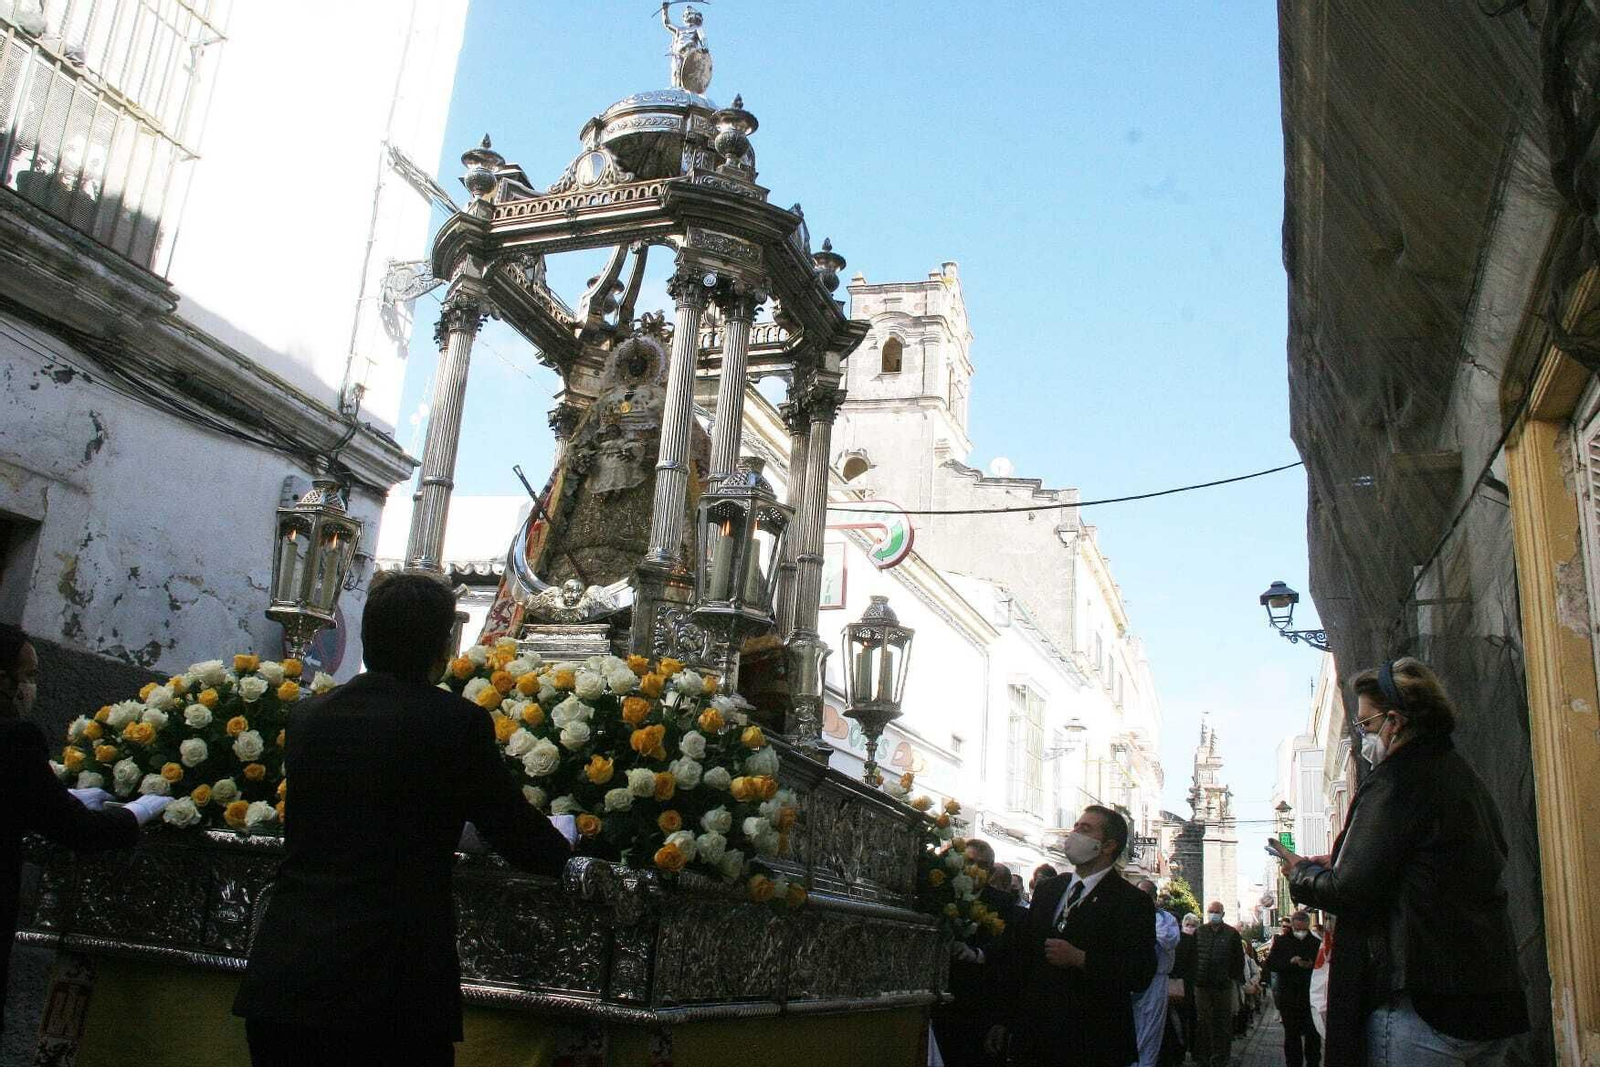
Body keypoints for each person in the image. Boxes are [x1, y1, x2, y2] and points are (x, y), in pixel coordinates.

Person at [233, 571, 574, 1067]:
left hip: (288, 973)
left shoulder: (309, 716)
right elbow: (512, 830)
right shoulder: (454, 723)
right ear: (442, 647)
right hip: (389, 986)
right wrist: (569, 854)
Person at [1270, 657, 1529, 1067]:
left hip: (1423, 1006)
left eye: (1365, 725)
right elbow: (1432, 863)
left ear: (1394, 721)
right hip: (1489, 1000)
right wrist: (1344, 859)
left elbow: (1349, 891)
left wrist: (1301, 872)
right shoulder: (1464, 777)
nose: (1363, 738)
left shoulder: (1396, 780)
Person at [0, 623, 170, 1035]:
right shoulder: (17, 737)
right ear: (4, 680)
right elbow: (76, 829)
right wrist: (136, 813)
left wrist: (65, 797)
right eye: (29, 676)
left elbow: (24, 799)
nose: (32, 687)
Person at [986, 805, 1155, 1067]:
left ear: (1108, 845)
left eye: (1085, 829)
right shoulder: (1049, 890)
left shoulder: (1131, 901)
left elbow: (1139, 972)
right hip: (1037, 1037)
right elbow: (1022, 956)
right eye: (1076, 826)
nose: (1074, 834)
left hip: (1092, 1041)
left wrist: (1081, 959)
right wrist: (1004, 1019)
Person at [934, 838, 1002, 1066]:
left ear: (991, 872)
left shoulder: (1003, 904)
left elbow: (1006, 950)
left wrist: (977, 954)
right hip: (939, 1001)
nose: (975, 869)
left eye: (982, 865)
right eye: (970, 862)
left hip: (975, 1006)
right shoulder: (942, 891)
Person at [1132, 879, 1180, 1067]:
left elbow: (1168, 939)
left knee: (1150, 1031)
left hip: (1155, 982)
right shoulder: (1128, 915)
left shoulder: (1165, 919)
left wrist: (1147, 929)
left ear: (1154, 898)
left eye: (1145, 896)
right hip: (1131, 979)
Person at [1265, 911, 1322, 1067]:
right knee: (1292, 1037)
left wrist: (1311, 965)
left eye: (1303, 929)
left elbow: (1322, 968)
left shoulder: (1315, 943)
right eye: (1297, 929)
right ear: (1292, 926)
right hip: (1289, 997)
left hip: (1310, 997)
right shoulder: (1282, 942)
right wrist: (1290, 962)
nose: (1300, 933)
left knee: (1313, 1036)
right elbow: (1270, 964)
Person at [1190, 901, 1244, 1067]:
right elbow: (1192, 956)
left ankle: (1220, 1059)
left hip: (1223, 986)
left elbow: (1238, 960)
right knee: (1203, 1022)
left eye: (1217, 911)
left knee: (1222, 1024)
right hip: (1202, 984)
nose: (1213, 914)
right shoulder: (1200, 932)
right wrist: (1194, 977)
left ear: (1223, 913)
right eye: (1211, 911)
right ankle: (1203, 1058)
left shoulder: (1231, 934)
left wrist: (1230, 977)